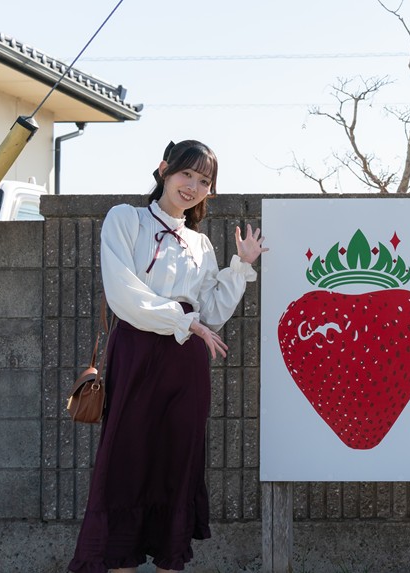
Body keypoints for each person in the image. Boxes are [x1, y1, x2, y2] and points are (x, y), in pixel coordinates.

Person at [69, 140, 268, 573]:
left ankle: (169, 561)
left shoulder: (201, 243)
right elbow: (123, 292)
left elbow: (210, 313)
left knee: (178, 461)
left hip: (186, 363)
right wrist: (184, 321)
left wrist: (241, 266)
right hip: (138, 352)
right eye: (186, 174)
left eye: (204, 181)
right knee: (126, 459)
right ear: (164, 170)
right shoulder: (126, 219)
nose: (193, 186)